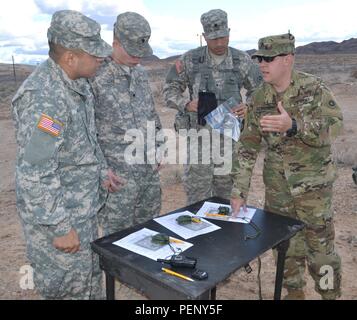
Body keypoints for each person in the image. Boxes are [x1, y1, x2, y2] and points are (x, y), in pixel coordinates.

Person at [11, 10, 120, 299]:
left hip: (81, 213)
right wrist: (60, 227)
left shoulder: (77, 84)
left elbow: (85, 140)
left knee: (89, 284)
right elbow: (35, 172)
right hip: (59, 223)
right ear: (70, 57)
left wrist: (100, 171)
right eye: (94, 53)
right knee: (68, 291)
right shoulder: (44, 98)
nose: (101, 58)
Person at [230, 33, 343, 300]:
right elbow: (247, 146)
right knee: (287, 252)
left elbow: (335, 127)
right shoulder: (258, 99)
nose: (262, 64)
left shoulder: (314, 89)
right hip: (279, 193)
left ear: (288, 59)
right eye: (260, 59)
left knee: (321, 253)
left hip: (313, 193)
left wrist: (294, 126)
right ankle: (295, 295)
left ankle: (330, 296)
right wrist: (239, 191)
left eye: (269, 59)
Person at [164, 9, 262, 205]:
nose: (219, 43)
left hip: (230, 141)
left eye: (223, 37)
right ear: (204, 37)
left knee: (229, 196)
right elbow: (169, 89)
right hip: (198, 139)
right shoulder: (190, 60)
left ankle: (230, 234)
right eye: (213, 39)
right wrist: (186, 104)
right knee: (197, 196)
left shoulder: (242, 60)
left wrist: (249, 106)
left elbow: (260, 90)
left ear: (229, 33)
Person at [90, 12, 162, 236]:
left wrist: (158, 147)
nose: (137, 57)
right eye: (132, 51)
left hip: (148, 173)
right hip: (117, 179)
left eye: (141, 51)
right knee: (118, 239)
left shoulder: (139, 74)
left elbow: (150, 113)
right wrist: (100, 169)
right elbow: (84, 130)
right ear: (115, 43)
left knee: (149, 232)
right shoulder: (94, 75)